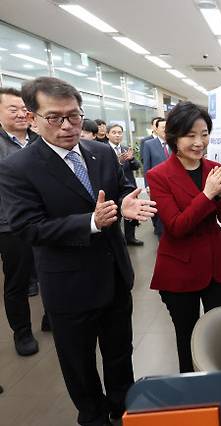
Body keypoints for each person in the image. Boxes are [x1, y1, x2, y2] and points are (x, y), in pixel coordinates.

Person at [0, 77, 157, 426]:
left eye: (74, 115)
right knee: (79, 364)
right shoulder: (18, 168)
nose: (68, 126)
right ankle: (94, 417)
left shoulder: (100, 152)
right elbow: (28, 228)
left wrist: (126, 206)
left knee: (120, 356)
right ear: (33, 117)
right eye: (55, 117)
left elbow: (118, 193)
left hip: (114, 276)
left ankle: (123, 411)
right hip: (68, 286)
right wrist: (90, 222)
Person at [147, 101, 221, 373]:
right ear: (173, 136)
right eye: (190, 135)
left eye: (204, 134)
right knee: (187, 337)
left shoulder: (214, 168)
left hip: (216, 267)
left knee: (218, 334)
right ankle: (192, 394)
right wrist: (208, 194)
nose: (200, 142)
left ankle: (218, 386)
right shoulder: (158, 175)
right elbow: (176, 226)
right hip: (180, 269)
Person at [0, 87, 41, 356]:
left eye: (24, 109)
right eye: (12, 109)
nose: (20, 114)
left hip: (45, 221)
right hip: (10, 225)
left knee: (50, 273)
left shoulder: (40, 141)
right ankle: (22, 332)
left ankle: (53, 319)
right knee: (18, 281)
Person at [107, 123, 143, 246]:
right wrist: (117, 162)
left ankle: (130, 238)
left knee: (130, 214)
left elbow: (137, 166)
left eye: (119, 132)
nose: (117, 135)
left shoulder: (126, 149)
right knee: (115, 215)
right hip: (111, 187)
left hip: (128, 187)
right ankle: (117, 241)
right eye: (114, 132)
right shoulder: (103, 150)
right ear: (107, 134)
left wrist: (131, 159)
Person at [142, 117, 168, 237]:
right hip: (157, 185)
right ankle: (161, 236)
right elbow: (146, 166)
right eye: (163, 127)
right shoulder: (149, 144)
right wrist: (147, 185)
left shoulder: (175, 143)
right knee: (159, 212)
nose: (166, 130)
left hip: (173, 184)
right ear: (156, 129)